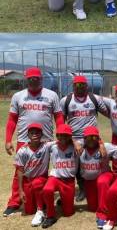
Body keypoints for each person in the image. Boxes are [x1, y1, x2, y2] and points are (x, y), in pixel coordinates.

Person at [3, 67, 64, 217]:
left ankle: (48, 197)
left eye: (36, 78)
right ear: (26, 79)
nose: (33, 80)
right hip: (24, 140)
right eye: (30, 78)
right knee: (20, 172)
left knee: (53, 170)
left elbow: (59, 117)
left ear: (41, 79)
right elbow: (12, 119)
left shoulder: (52, 95)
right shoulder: (18, 96)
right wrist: (8, 139)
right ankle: (15, 202)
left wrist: (62, 136)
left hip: (47, 140)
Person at [60, 74, 109, 201]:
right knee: (76, 165)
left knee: (96, 162)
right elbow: (61, 123)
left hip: (92, 137)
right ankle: (82, 189)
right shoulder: (66, 100)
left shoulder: (94, 98)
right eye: (76, 85)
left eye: (82, 85)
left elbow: (108, 113)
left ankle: (99, 186)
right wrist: (69, 139)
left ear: (87, 86)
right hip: (75, 138)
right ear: (73, 86)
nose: (79, 87)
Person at [79, 126, 117, 229]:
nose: (91, 140)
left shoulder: (106, 147)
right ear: (84, 139)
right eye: (88, 138)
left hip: (104, 176)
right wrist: (74, 142)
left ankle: (103, 214)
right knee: (92, 207)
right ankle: (105, 203)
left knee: (102, 181)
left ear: (98, 138)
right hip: (89, 181)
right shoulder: (80, 148)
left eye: (94, 137)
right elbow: (65, 140)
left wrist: (101, 144)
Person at [41, 124, 79, 228]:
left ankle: (63, 199)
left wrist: (74, 142)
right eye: (60, 135)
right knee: (47, 189)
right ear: (57, 136)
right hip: (55, 177)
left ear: (70, 137)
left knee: (68, 213)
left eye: (65, 135)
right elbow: (39, 144)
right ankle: (50, 216)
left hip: (69, 181)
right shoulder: (52, 146)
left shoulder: (75, 146)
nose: (62, 137)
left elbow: (91, 142)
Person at [14, 123, 51, 227]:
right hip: (28, 180)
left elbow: (62, 140)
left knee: (37, 183)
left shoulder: (46, 146)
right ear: (28, 135)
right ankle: (42, 204)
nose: (35, 135)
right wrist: (20, 190)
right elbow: (20, 170)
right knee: (29, 210)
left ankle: (40, 210)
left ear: (41, 134)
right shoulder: (23, 150)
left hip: (42, 179)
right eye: (32, 133)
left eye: (37, 133)